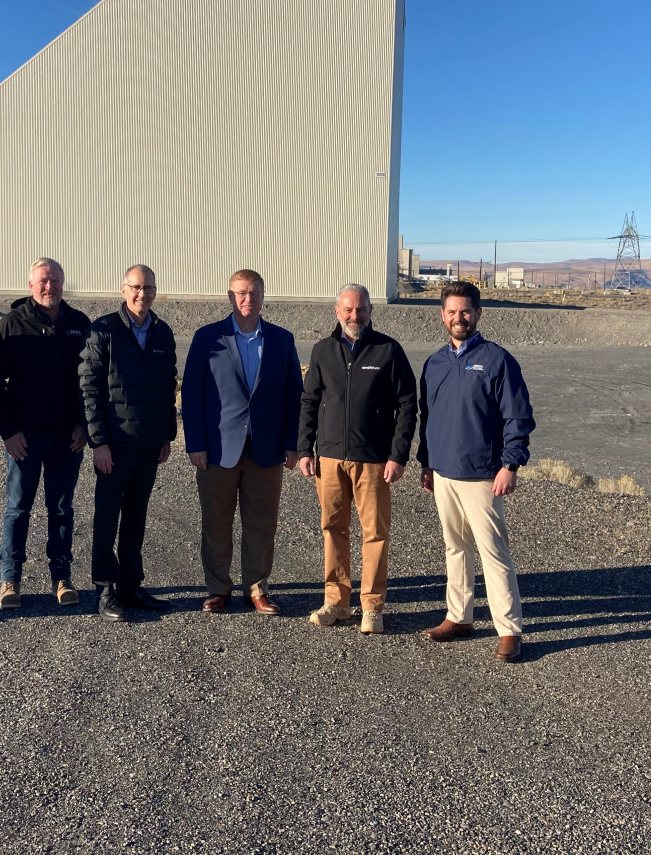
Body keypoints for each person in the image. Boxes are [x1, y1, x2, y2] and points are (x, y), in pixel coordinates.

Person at [417, 280, 535, 662]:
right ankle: (459, 616)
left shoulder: (497, 359)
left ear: (478, 313)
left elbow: (517, 416)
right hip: (444, 472)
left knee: (493, 553)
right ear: (442, 315)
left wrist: (510, 464)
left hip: (483, 473)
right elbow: (429, 418)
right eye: (451, 311)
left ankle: (509, 629)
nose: (458, 318)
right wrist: (426, 462)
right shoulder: (434, 363)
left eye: (465, 311)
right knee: (455, 548)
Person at [297, 284, 417, 635]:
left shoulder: (388, 351)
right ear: (337, 311)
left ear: (370, 311)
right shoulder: (323, 350)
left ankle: (372, 607)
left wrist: (398, 455)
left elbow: (408, 404)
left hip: (374, 461)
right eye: (348, 310)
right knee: (333, 530)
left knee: (375, 533)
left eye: (361, 309)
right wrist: (305, 449)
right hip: (330, 459)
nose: (354, 316)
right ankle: (336, 602)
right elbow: (309, 402)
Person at [182, 269, 302, 614]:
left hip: (266, 447)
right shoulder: (208, 338)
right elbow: (192, 393)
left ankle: (257, 589)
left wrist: (292, 443)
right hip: (218, 448)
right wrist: (195, 444)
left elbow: (294, 394)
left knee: (262, 522)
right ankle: (218, 589)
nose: (248, 299)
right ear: (230, 296)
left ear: (264, 296)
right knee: (216, 521)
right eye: (241, 293)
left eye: (254, 292)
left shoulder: (282, 339)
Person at [0, 258, 91, 610]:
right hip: (25, 439)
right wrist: (9, 432)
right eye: (43, 281)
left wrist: (84, 426)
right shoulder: (12, 324)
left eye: (56, 281)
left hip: (67, 438)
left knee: (61, 509)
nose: (50, 287)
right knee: (18, 508)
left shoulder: (79, 324)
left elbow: (89, 382)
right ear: (30, 285)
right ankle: (10, 580)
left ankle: (62, 577)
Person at [78, 265, 178, 622]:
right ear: (123, 290)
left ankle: (131, 585)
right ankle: (105, 590)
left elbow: (169, 388)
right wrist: (98, 443)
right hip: (115, 446)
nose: (142, 294)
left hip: (149, 444)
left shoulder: (162, 333)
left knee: (136, 517)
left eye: (148, 288)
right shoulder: (103, 330)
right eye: (136, 287)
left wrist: (167, 434)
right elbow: (89, 390)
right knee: (107, 518)